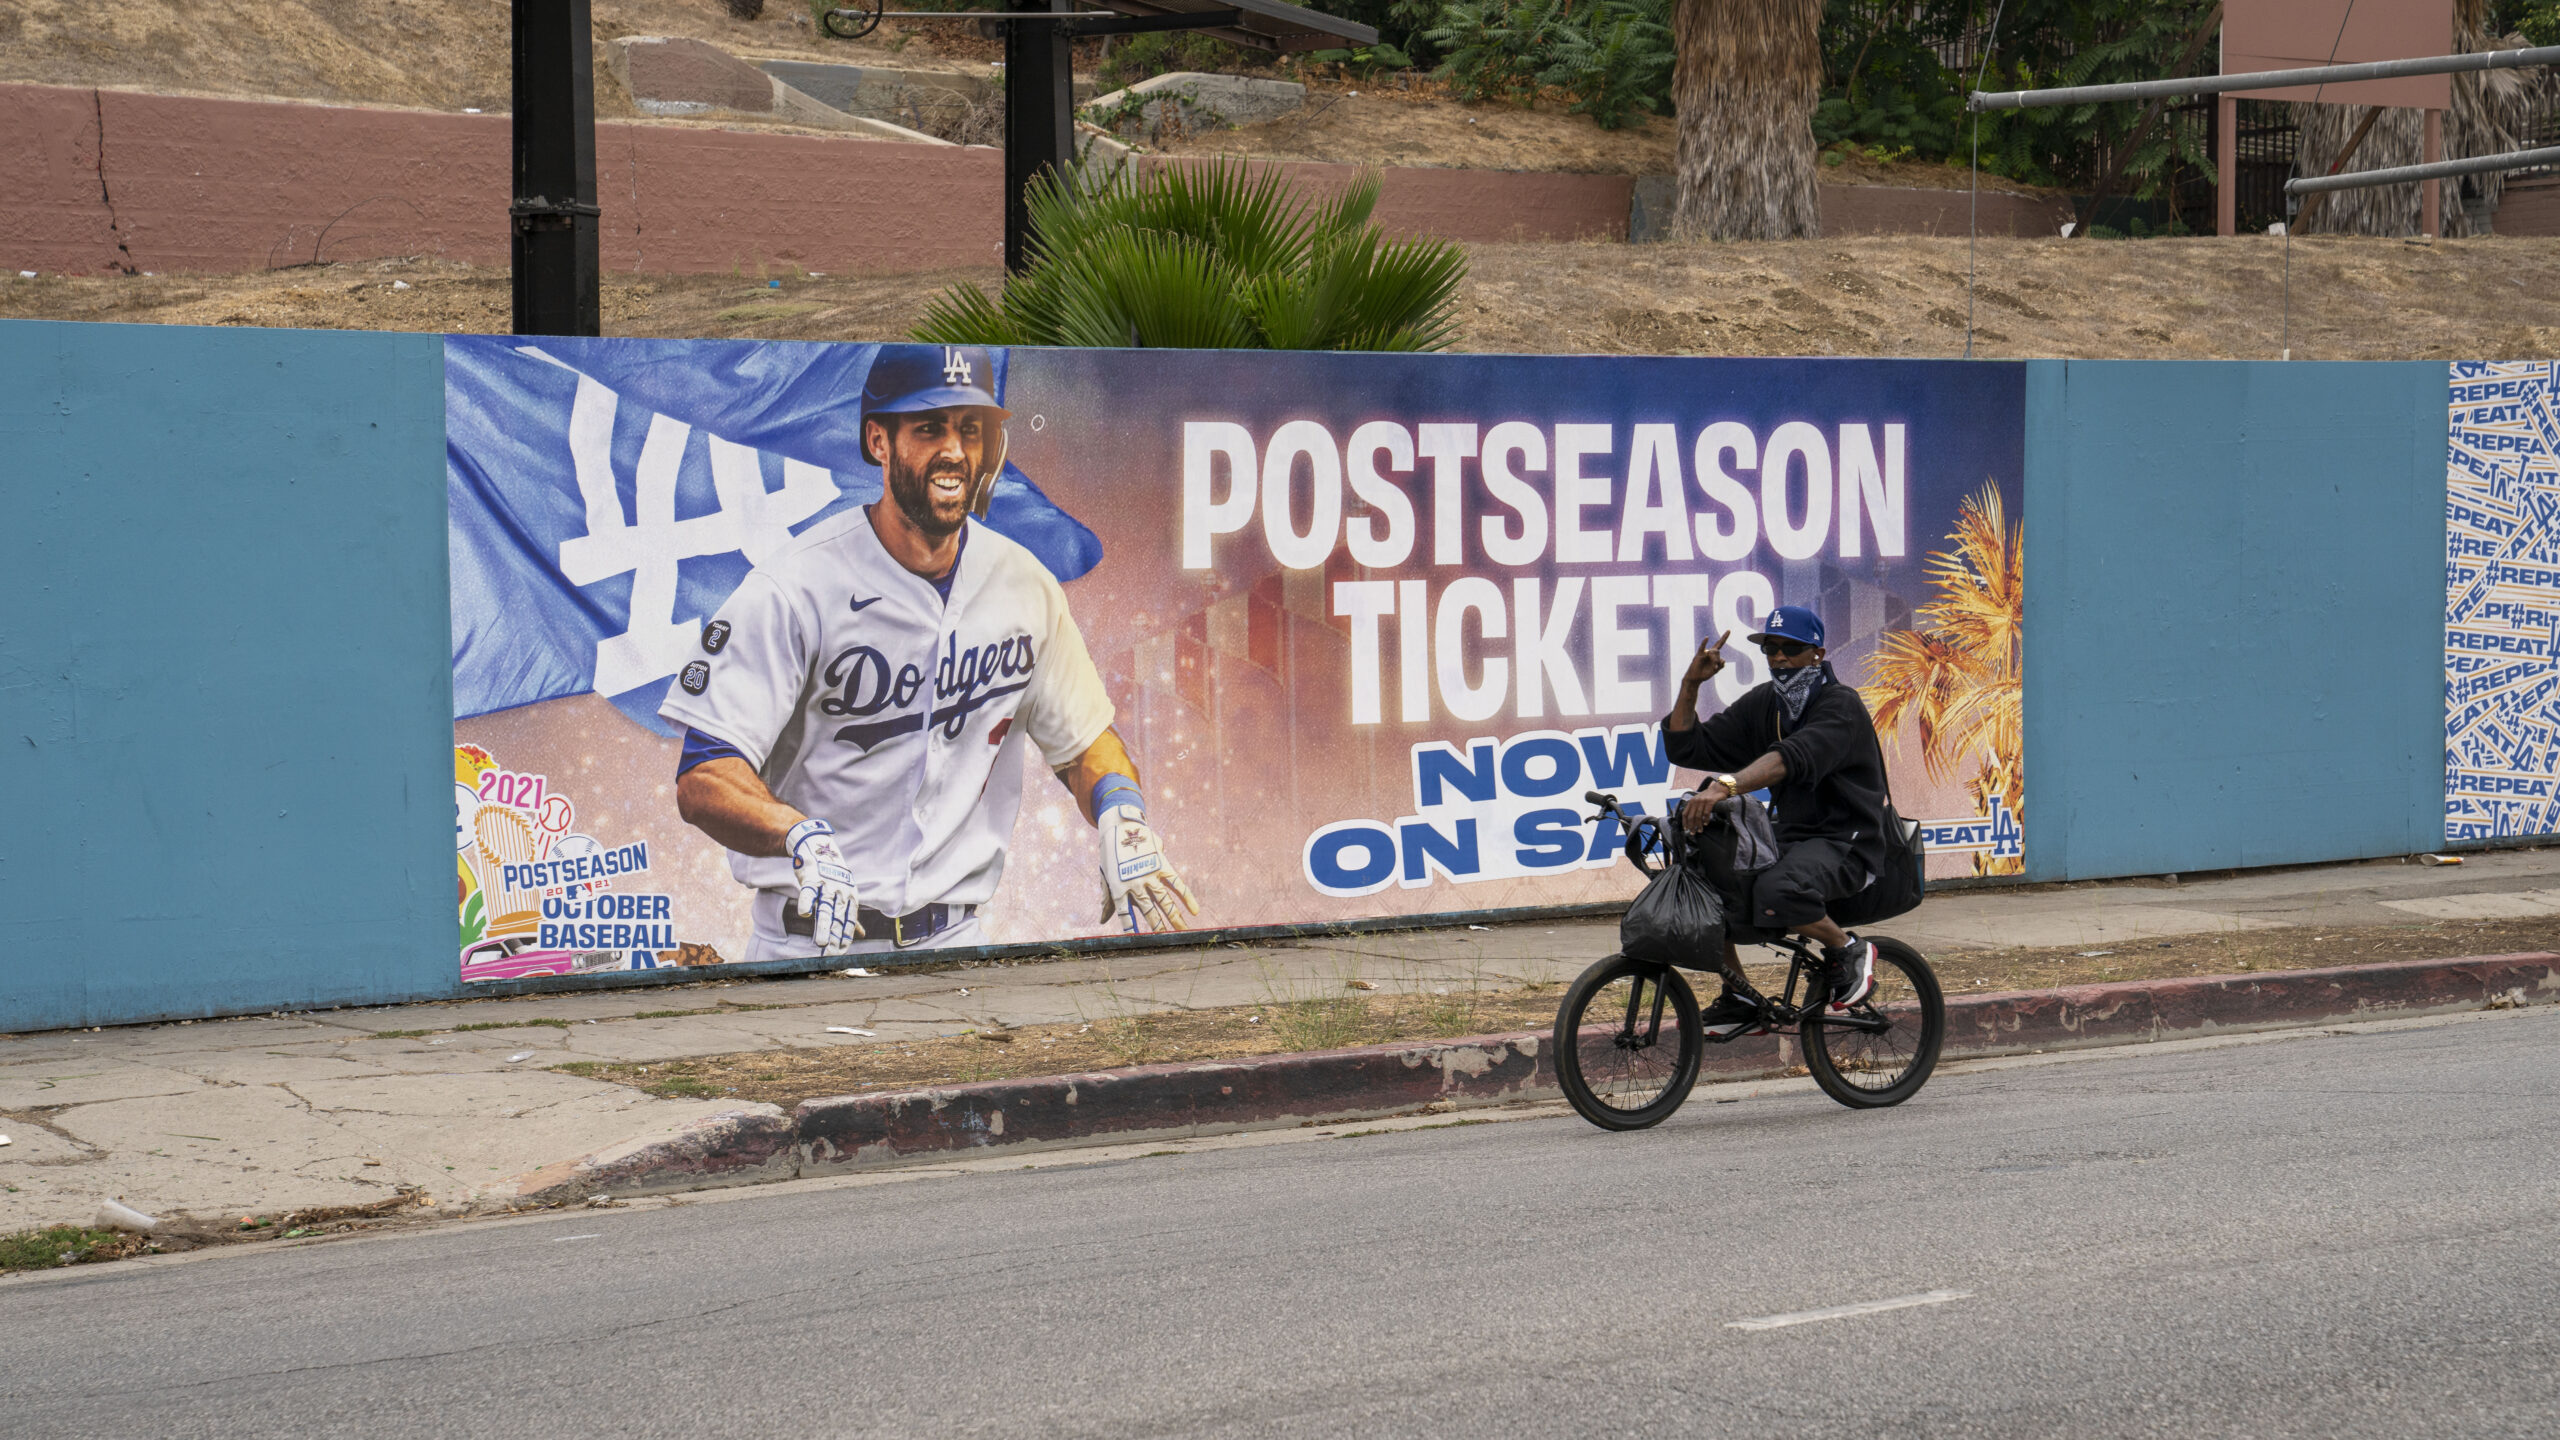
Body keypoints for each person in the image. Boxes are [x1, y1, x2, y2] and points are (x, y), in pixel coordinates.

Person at [659, 344, 1197, 960]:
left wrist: (1119, 812)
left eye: (971, 429)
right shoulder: (794, 587)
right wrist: (797, 835)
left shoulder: (1024, 584)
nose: (953, 450)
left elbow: (1084, 745)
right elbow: (704, 777)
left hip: (955, 946)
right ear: (879, 441)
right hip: (807, 950)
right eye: (928, 427)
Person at [1661, 605, 1890, 1037]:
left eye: (1792, 649)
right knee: (1711, 886)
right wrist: (1691, 684)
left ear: (1817, 654)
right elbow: (1688, 747)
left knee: (1775, 888)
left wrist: (1724, 787)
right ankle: (1740, 993)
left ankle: (1849, 948)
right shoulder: (1768, 704)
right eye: (1772, 649)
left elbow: (1793, 757)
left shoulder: (1840, 705)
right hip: (1793, 838)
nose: (1780, 658)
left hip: (1848, 842)